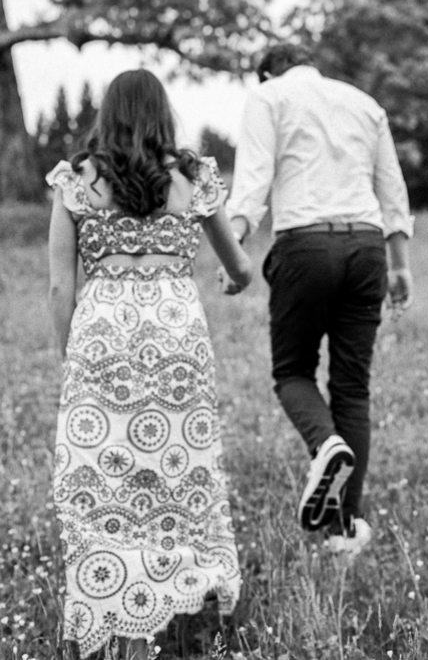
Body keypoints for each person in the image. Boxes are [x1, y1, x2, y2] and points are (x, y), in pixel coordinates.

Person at [46, 69, 252, 658]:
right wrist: (234, 280)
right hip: (175, 335)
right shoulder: (192, 177)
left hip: (102, 336)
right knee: (176, 472)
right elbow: (238, 265)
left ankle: (115, 614)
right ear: (164, 113)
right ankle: (170, 608)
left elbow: (62, 288)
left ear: (107, 115)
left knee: (98, 477)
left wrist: (73, 362)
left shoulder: (77, 180)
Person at [222, 44, 414, 553]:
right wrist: (399, 266)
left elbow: (252, 182)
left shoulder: (268, 96)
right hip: (368, 246)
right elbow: (391, 188)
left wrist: (233, 247)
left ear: (266, 72)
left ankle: (326, 445)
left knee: (292, 372)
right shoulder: (363, 101)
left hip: (305, 244)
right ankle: (345, 529)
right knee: (352, 386)